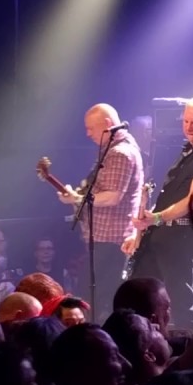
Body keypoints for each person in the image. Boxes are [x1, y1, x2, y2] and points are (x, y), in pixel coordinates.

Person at [131, 96, 193, 329]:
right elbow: (171, 196)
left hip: (182, 237)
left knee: (180, 299)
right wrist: (146, 225)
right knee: (141, 293)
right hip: (163, 234)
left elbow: (192, 202)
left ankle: (192, 345)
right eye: (185, 121)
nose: (188, 127)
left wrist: (157, 218)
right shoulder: (190, 150)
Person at [57, 103, 145, 313]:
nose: (88, 134)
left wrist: (78, 198)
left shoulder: (120, 153)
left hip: (111, 239)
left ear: (107, 124)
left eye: (91, 128)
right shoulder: (112, 149)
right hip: (104, 238)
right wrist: (77, 196)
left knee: (95, 299)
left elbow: (113, 196)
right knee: (93, 297)